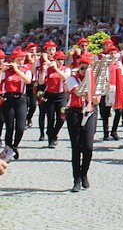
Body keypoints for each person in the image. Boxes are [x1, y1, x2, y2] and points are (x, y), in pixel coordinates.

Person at [65, 53, 100, 192]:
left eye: (87, 68)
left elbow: (96, 100)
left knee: (88, 146)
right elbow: (78, 92)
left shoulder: (95, 80)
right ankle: (77, 179)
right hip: (75, 112)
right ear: (77, 69)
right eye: (82, 68)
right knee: (76, 147)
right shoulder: (71, 79)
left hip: (90, 112)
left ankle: (84, 172)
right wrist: (89, 90)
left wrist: (91, 91)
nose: (84, 71)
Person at [0, 48, 33, 159]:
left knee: (20, 127)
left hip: (21, 99)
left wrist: (18, 70)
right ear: (13, 60)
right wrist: (1, 71)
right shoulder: (7, 72)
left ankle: (14, 146)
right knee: (9, 127)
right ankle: (8, 149)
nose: (20, 62)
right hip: (8, 99)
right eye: (18, 60)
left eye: (22, 60)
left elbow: (28, 81)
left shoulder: (26, 70)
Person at [39, 50, 69, 148]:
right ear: (54, 60)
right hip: (50, 95)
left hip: (61, 95)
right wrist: (43, 70)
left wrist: (56, 69)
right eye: (58, 59)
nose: (60, 61)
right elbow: (41, 82)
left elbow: (65, 78)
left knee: (61, 117)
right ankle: (50, 139)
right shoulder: (49, 69)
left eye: (62, 59)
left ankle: (54, 133)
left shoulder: (66, 69)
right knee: (50, 118)